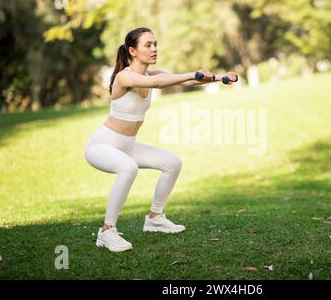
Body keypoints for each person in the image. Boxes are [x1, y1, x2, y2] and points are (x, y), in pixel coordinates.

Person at [84, 27, 238, 252]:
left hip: (127, 146)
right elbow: (160, 84)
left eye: (155, 44)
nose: (154, 49)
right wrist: (192, 73)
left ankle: (155, 218)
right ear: (132, 51)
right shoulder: (125, 76)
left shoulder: (152, 74)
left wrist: (219, 78)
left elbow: (179, 81)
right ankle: (107, 231)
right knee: (128, 168)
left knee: (172, 163)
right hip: (101, 146)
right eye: (148, 45)